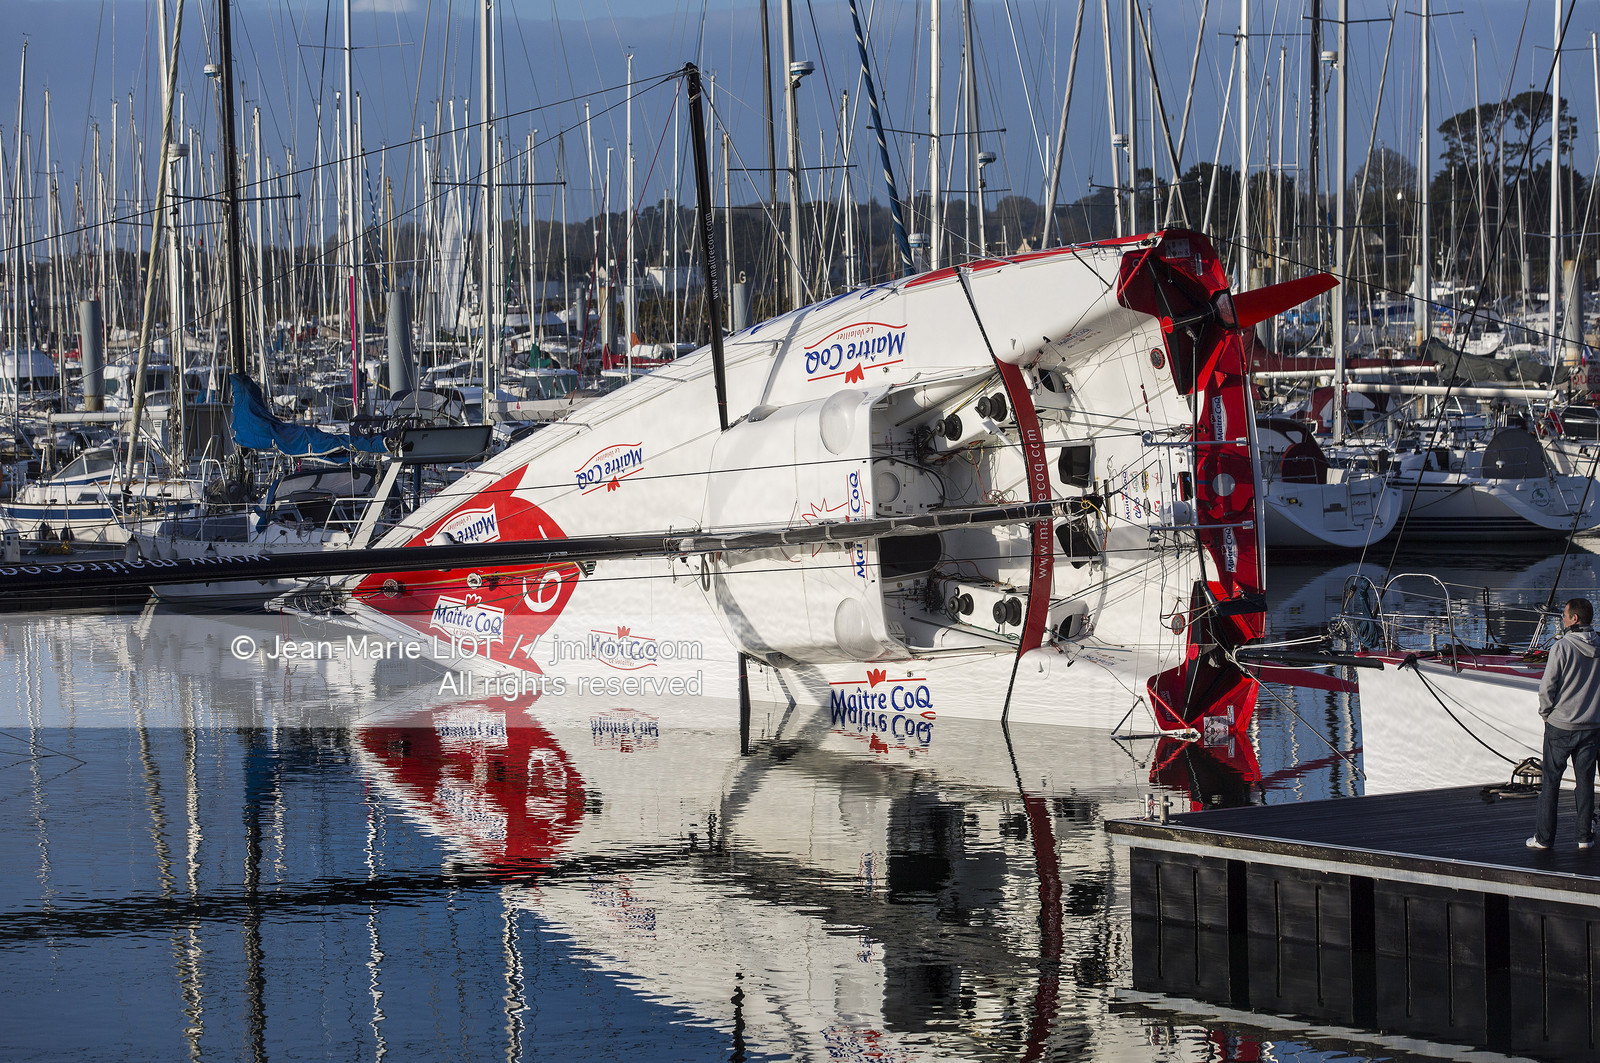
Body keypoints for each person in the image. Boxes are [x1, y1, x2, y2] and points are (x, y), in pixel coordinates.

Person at [1529, 597, 1600, 851]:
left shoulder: (1562, 647)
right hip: (1591, 725)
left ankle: (1544, 839)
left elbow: (1547, 687)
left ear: (1574, 619)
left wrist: (1546, 713)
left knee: (1551, 781)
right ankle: (1585, 837)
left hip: (1561, 725)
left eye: (1565, 615)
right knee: (1586, 782)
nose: (1562, 618)